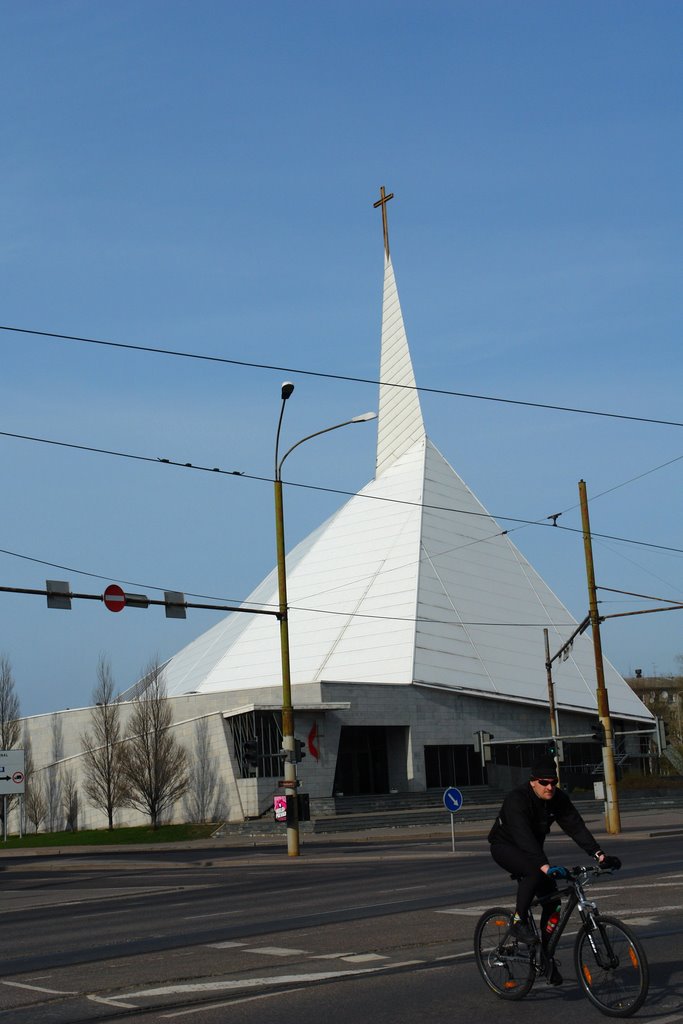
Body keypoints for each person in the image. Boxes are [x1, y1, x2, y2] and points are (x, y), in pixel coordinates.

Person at [488, 755, 621, 986]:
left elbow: (575, 826)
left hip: (532, 852)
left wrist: (599, 855)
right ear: (533, 781)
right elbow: (523, 836)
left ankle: (545, 957)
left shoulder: (556, 798)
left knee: (553, 904)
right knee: (533, 871)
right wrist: (546, 867)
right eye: (544, 782)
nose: (550, 787)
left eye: (554, 782)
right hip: (506, 847)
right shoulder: (517, 799)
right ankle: (518, 922)